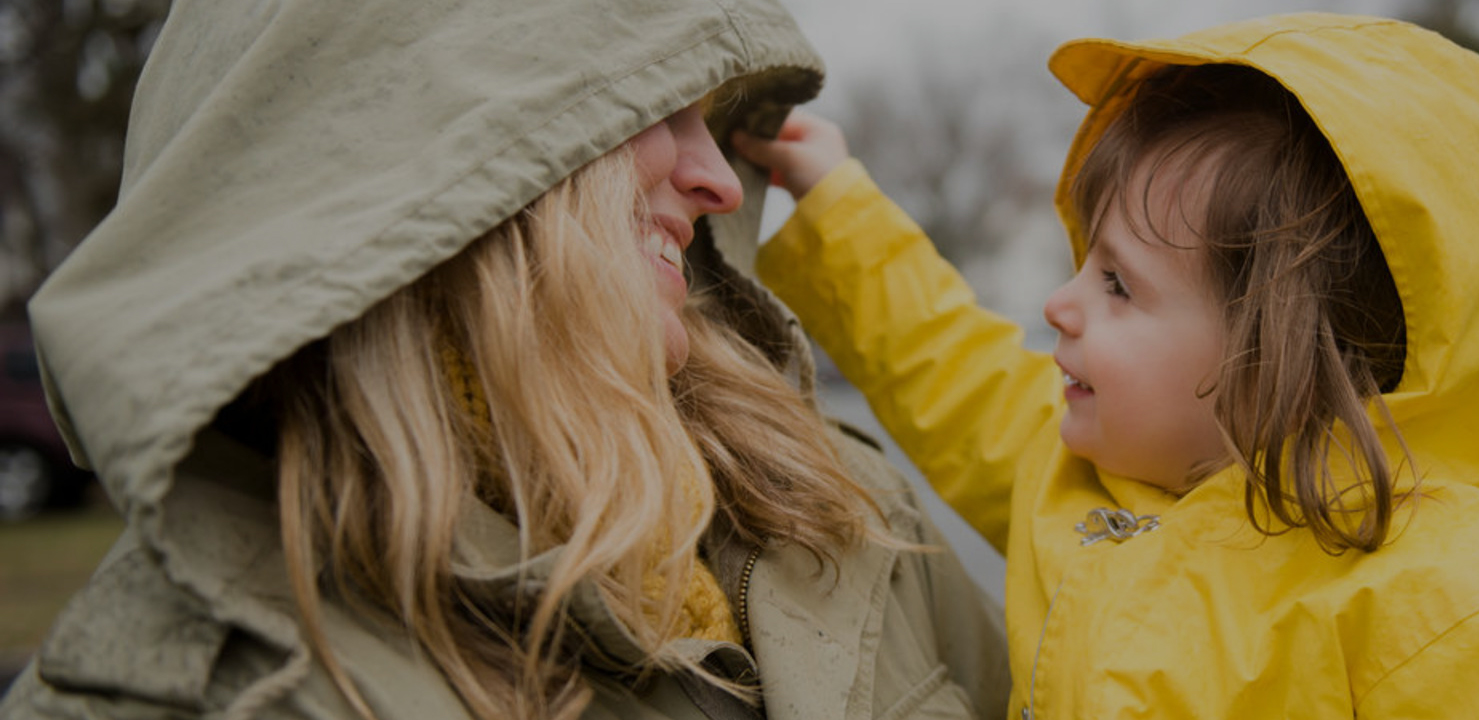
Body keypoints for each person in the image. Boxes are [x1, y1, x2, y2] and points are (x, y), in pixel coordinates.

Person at [0, 0, 1009, 718]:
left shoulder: (843, 506)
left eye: (713, 117)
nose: (720, 183)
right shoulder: (208, 695)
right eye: (652, 105)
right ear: (440, 153)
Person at [735, 13, 1479, 719]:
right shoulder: (1078, 476)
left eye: (1117, 283)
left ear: (1278, 352)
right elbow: (950, 365)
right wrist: (838, 202)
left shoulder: (1448, 604)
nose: (1057, 305)